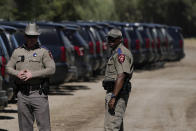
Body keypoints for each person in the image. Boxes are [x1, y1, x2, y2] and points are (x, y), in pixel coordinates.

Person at [6, 23, 55, 131]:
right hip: (22, 95)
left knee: (44, 127)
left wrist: (32, 74)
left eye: (34, 37)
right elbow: (8, 68)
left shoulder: (44, 52)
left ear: (37, 37)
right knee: (24, 128)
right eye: (29, 36)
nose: (32, 39)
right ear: (25, 37)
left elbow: (51, 69)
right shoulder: (17, 51)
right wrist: (17, 73)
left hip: (39, 93)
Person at [103, 28, 134, 131]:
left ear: (120, 39)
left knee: (111, 128)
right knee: (116, 126)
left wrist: (113, 97)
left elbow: (121, 75)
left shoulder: (121, 54)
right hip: (114, 92)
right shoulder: (116, 52)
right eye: (108, 39)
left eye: (113, 39)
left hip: (118, 94)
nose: (110, 41)